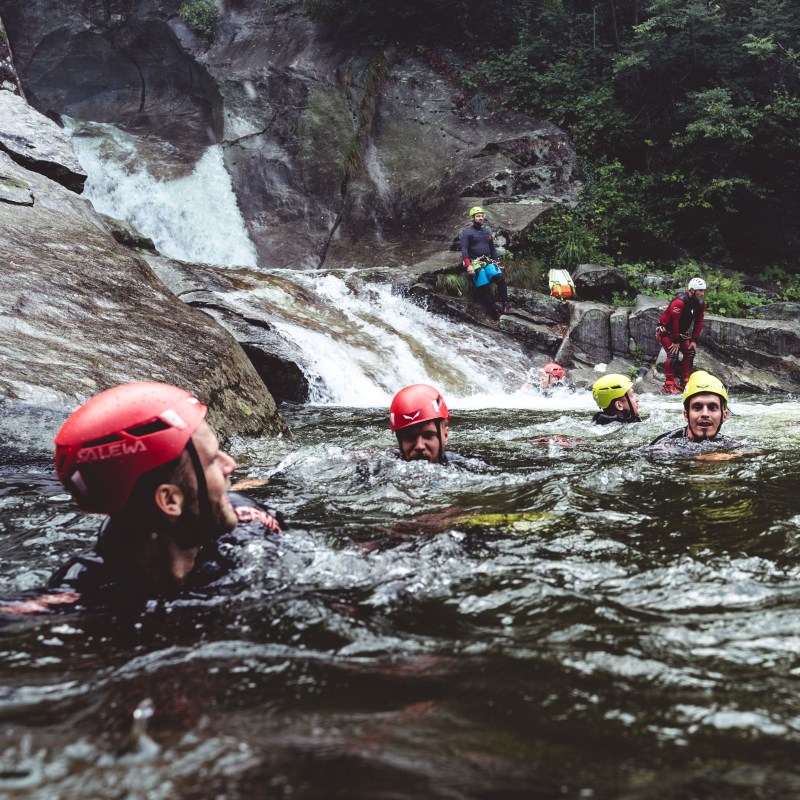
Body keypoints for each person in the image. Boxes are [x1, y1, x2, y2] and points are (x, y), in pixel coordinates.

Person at [38, 382, 284, 608]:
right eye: (211, 462)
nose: (231, 465)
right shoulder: (84, 593)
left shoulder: (253, 524)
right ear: (169, 500)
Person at [648, 370, 740, 453]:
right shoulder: (665, 445)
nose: (705, 414)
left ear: (724, 416)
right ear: (686, 415)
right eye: (697, 407)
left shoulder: (730, 445)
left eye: (712, 407)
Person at [460, 206, 509, 328]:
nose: (481, 217)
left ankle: (506, 304)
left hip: (486, 260)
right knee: (484, 286)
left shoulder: (487, 232)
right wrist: (468, 265)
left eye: (482, 215)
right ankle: (494, 312)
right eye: (478, 216)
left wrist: (496, 262)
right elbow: (464, 250)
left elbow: (492, 249)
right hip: (474, 262)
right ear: (472, 218)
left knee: (499, 278)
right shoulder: (467, 233)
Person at [656, 277, 707, 394]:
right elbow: (674, 323)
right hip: (666, 330)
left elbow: (699, 322)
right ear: (692, 290)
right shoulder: (679, 302)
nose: (702, 294)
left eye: (703, 291)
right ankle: (668, 384)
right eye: (700, 291)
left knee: (690, 352)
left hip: (681, 333)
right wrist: (675, 341)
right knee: (673, 354)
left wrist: (694, 340)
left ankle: (685, 382)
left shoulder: (701, 304)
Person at [389, 383, 456, 464]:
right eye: (410, 438)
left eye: (428, 436)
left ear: (445, 436)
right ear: (399, 441)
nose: (419, 446)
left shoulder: (464, 467)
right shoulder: (380, 465)